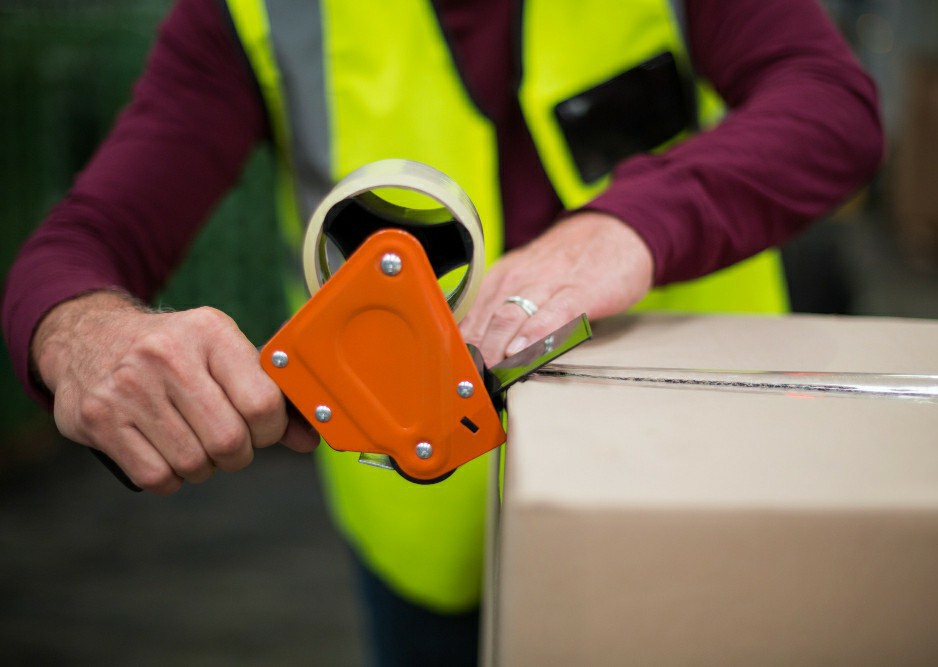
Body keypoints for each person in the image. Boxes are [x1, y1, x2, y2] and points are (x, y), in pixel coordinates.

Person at [2, 0, 883, 664]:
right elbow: (91, 235)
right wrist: (82, 334)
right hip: (428, 534)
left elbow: (833, 106)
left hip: (692, 505)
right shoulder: (255, 14)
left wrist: (626, 227)